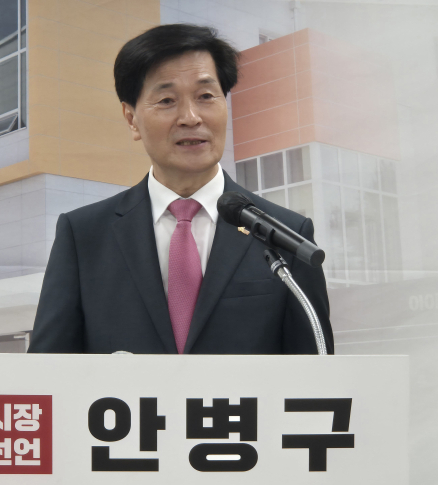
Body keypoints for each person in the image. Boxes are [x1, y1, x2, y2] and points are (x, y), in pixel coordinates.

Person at [28, 24, 334, 355]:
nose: (190, 117)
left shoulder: (286, 236)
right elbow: (46, 374)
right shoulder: (83, 236)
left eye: (206, 96)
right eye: (167, 100)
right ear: (131, 118)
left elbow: (315, 374)